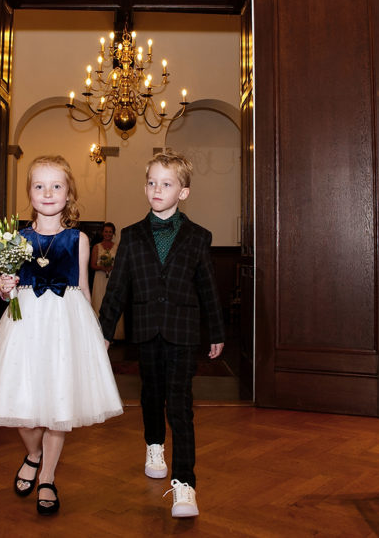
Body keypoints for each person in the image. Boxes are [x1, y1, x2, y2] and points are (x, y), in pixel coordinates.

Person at [0, 155, 123, 516]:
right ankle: (33, 453)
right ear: (30, 193)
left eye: (56, 186)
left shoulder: (79, 239)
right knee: (25, 411)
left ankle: (48, 476)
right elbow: (6, 293)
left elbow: (84, 289)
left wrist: (95, 334)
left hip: (65, 326)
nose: (48, 192)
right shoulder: (16, 239)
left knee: (58, 404)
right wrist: (6, 287)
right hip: (25, 328)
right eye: (39, 186)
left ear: (68, 193)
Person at [97, 149, 225, 518]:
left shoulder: (199, 237)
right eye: (152, 182)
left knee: (181, 406)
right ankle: (154, 445)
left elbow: (208, 288)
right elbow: (117, 288)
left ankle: (185, 485)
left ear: (183, 192)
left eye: (166, 184)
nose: (157, 189)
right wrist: (104, 332)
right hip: (146, 331)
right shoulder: (132, 236)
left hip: (183, 331)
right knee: (151, 396)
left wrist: (215, 331)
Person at [89, 222, 124, 340]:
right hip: (99, 278)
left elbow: (120, 264)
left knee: (112, 302)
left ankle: (113, 334)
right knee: (99, 301)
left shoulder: (117, 247)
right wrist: (103, 267)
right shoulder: (96, 247)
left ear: (113, 234)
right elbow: (92, 265)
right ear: (102, 233)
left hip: (113, 278)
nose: (108, 234)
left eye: (110, 232)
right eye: (106, 231)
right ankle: (98, 334)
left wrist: (112, 267)